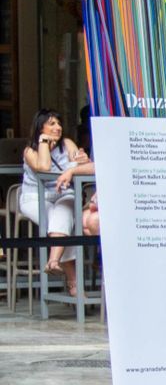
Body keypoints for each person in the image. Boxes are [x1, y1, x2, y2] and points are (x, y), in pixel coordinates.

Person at [20, 108, 93, 297]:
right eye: (52, 124)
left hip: (63, 194)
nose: (58, 127)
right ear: (40, 127)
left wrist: (81, 161)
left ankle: (53, 261)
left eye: (59, 123)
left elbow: (88, 167)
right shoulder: (29, 151)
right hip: (35, 198)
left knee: (62, 211)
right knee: (61, 221)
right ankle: (73, 283)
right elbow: (44, 167)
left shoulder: (67, 144)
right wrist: (44, 142)